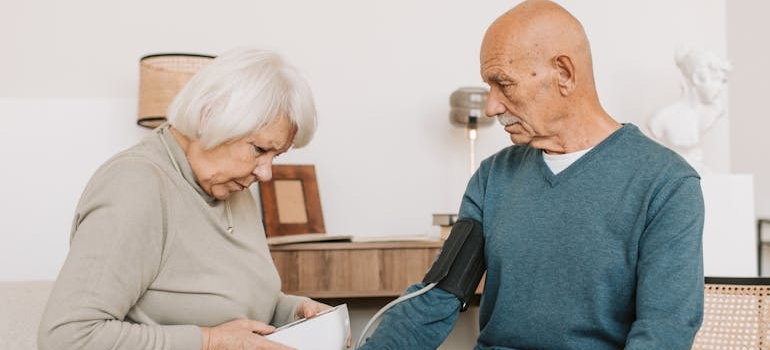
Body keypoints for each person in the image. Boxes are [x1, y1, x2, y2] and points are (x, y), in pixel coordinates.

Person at [359, 1, 704, 349]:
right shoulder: (492, 177)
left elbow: (664, 331)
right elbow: (436, 298)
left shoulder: (667, 185)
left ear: (564, 73)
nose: (491, 106)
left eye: (503, 84)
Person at [38, 48, 333, 350]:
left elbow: (236, 303)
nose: (266, 172)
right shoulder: (136, 186)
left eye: (277, 155)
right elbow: (67, 337)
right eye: (259, 149)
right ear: (209, 117)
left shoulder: (233, 187)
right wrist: (211, 342)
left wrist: (293, 312)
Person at [648, 47, 732, 173]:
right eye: (716, 80)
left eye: (722, 81)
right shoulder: (661, 118)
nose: (720, 87)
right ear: (698, 78)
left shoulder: (714, 111)